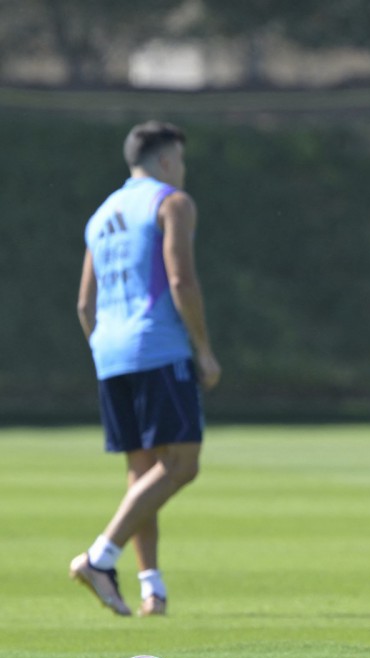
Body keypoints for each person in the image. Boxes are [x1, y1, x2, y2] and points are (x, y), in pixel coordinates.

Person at [71, 120, 221, 617]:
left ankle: (150, 588)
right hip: (155, 348)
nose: (182, 169)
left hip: (110, 353)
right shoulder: (171, 202)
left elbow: (84, 306)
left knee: (143, 475)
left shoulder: (102, 214)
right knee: (182, 464)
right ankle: (99, 557)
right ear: (164, 160)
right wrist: (203, 349)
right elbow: (181, 280)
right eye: (179, 160)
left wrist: (106, 348)